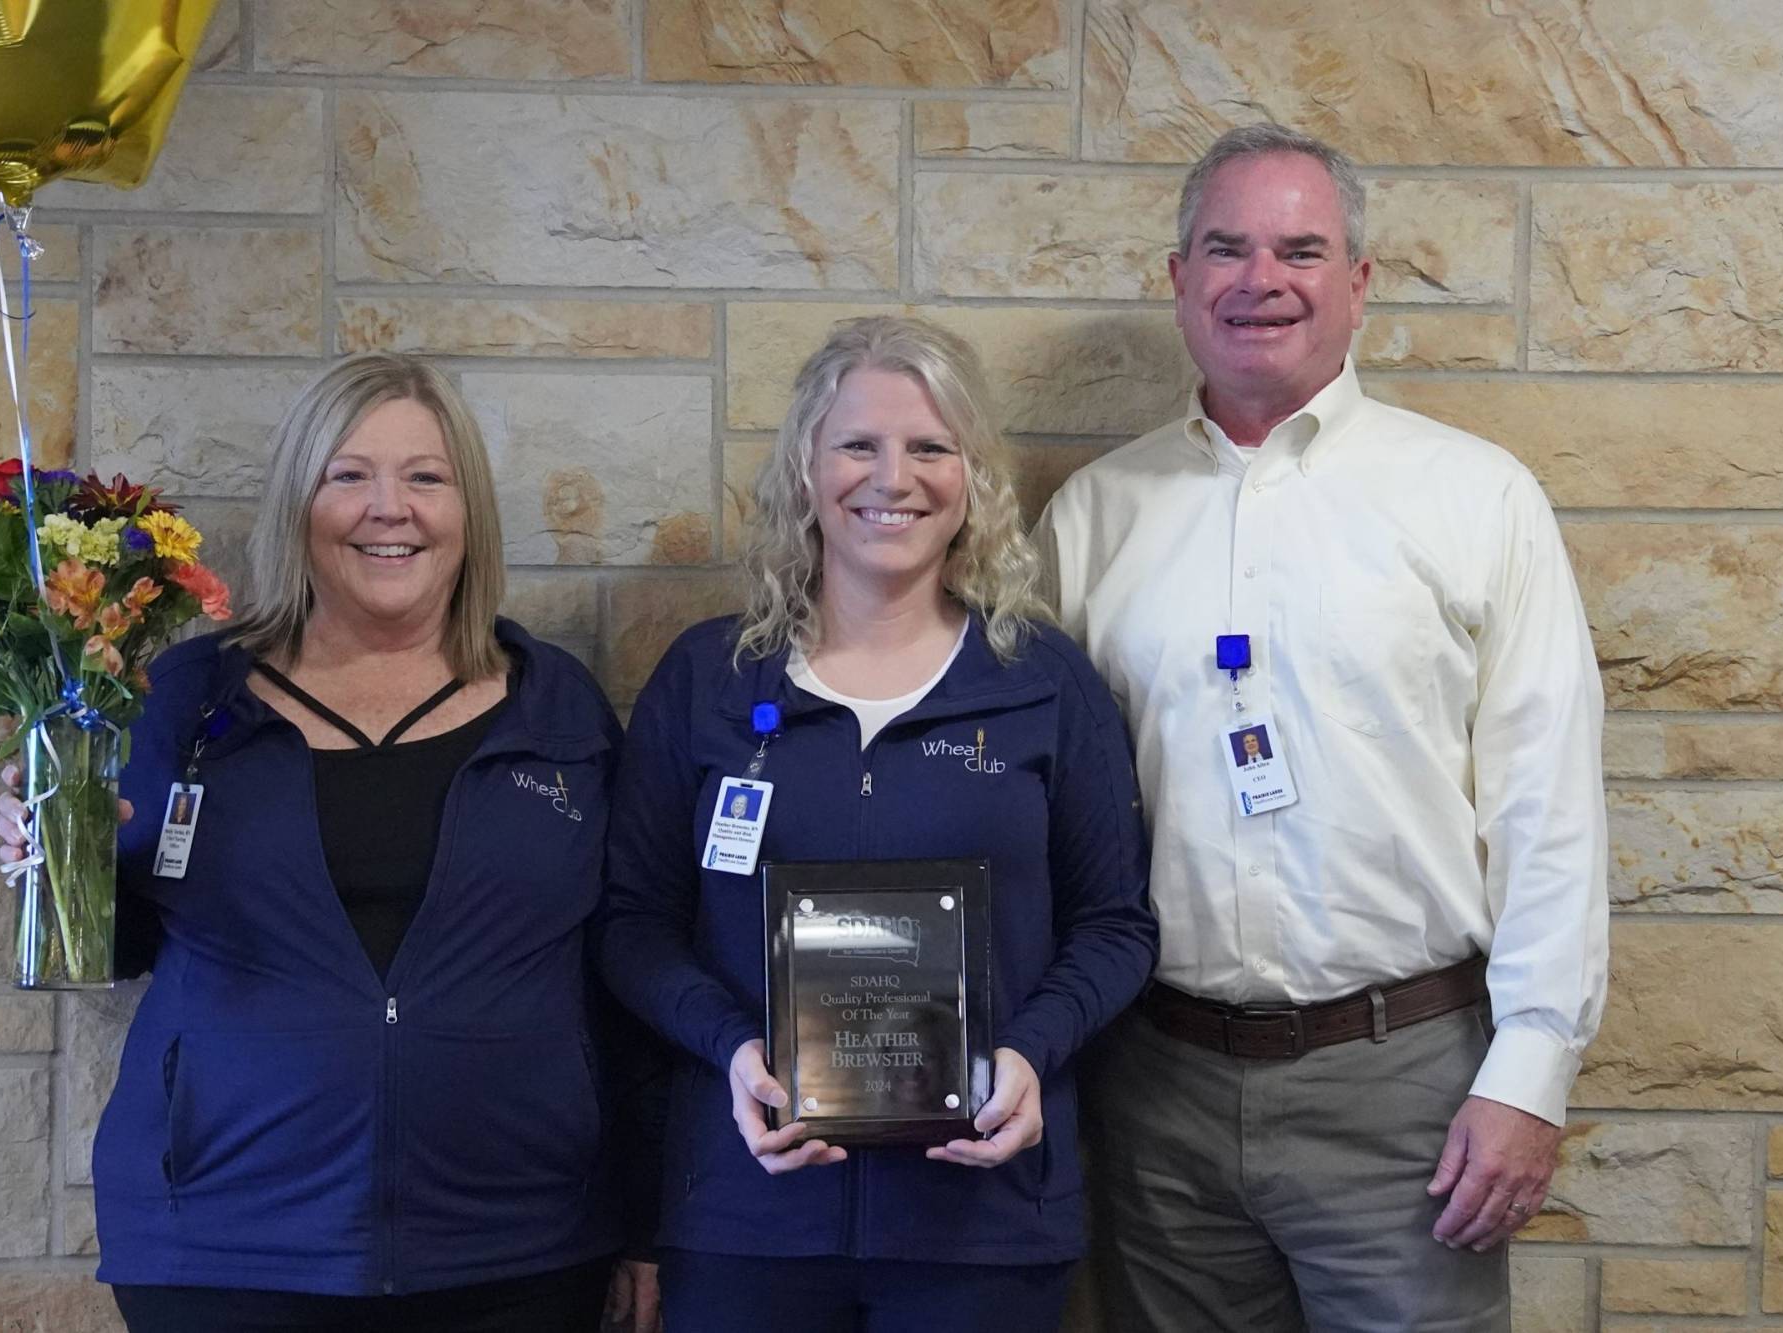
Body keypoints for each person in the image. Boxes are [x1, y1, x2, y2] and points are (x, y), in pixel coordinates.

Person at [1037, 124, 1608, 1331]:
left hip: (1406, 1085)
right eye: (1225, 248)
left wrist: (1530, 1076)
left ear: (1356, 282)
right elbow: (1042, 810)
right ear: (1178, 280)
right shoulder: (1093, 518)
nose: (1262, 279)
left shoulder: (1473, 497)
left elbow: (1544, 809)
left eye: (1302, 248)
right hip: (1158, 1089)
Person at [0, 353, 659, 1333]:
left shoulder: (555, 705)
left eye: (424, 477)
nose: (387, 508)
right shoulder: (185, 695)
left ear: (467, 509)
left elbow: (620, 968)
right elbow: (119, 943)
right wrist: (48, 850)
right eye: (347, 475)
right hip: (225, 1247)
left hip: (516, 1248)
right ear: (296, 504)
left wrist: (644, 1216)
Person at [598, 316, 1157, 1333]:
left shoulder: (1039, 682)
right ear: (806, 469)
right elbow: (632, 922)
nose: (890, 476)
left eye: (928, 447)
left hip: (982, 1220)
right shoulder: (707, 679)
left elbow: (1115, 924)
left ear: (971, 478)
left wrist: (1028, 1053)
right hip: (746, 1213)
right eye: (857, 444)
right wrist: (731, 1048)